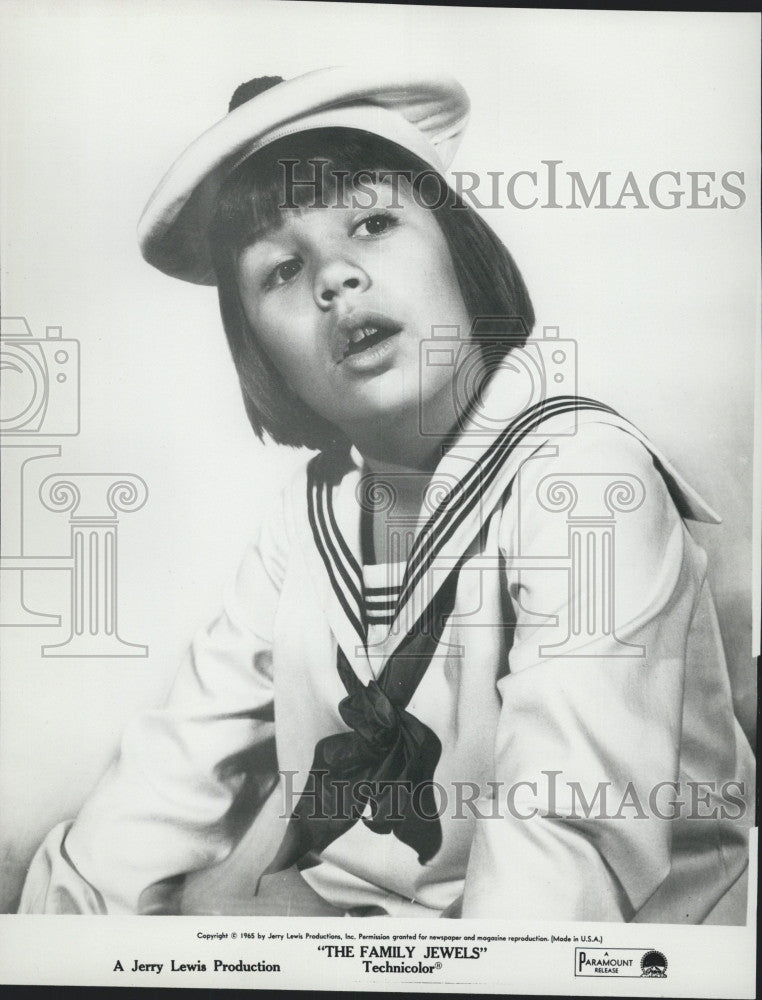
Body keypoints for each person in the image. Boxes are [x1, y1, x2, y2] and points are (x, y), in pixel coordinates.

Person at [18, 67, 754, 920]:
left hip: (607, 954)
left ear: (461, 250)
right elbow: (172, 775)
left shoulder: (582, 479)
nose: (336, 278)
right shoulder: (311, 513)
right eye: (282, 271)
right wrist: (56, 936)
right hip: (379, 937)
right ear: (257, 349)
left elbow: (566, 853)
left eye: (372, 222)